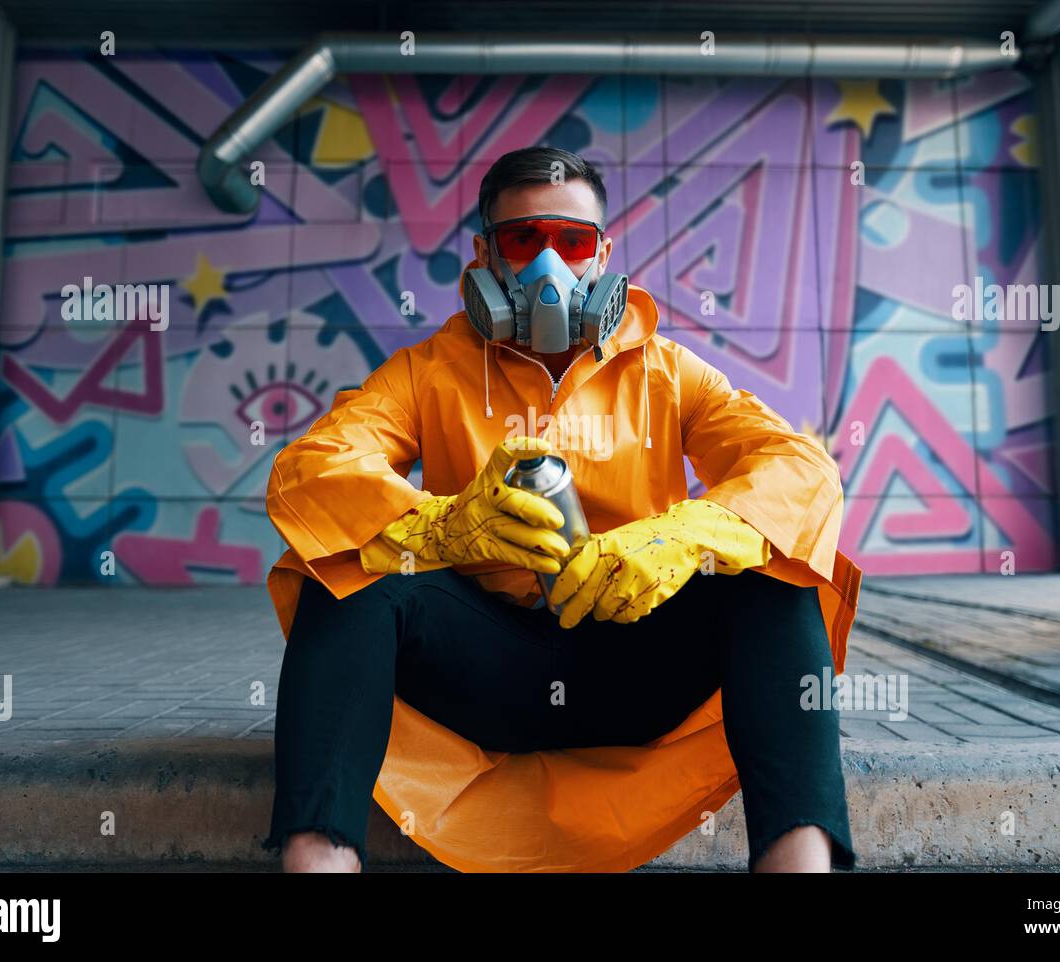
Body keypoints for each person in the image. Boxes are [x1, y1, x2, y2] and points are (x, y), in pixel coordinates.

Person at [261, 145, 864, 873]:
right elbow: (311, 470)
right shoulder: (429, 371)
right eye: (524, 240)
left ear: (602, 254)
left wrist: (682, 537)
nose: (551, 266)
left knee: (776, 576)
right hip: (481, 672)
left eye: (572, 243)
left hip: (637, 666)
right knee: (344, 569)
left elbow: (799, 467)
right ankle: (317, 863)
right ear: (485, 255)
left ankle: (797, 868)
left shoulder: (669, 373)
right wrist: (441, 526)